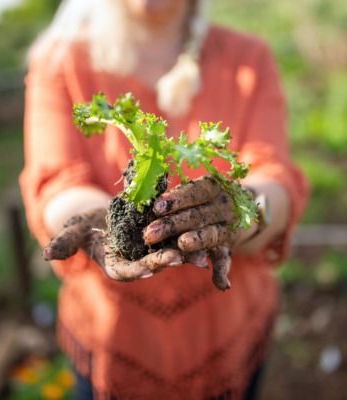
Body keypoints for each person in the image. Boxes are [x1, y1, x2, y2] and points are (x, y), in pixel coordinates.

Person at [19, 0, 309, 398]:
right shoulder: (60, 61)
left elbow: (272, 175)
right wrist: (99, 220)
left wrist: (244, 209)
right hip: (112, 336)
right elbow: (56, 181)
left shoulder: (248, 59)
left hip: (228, 332)